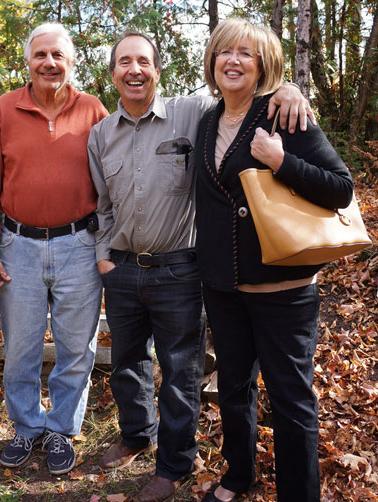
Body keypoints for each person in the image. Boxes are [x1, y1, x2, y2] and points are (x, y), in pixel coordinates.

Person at [87, 31, 313, 502]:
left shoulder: (193, 114)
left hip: (180, 269)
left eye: (143, 61)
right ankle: (135, 435)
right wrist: (105, 257)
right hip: (124, 268)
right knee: (126, 362)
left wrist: (288, 87)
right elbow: (102, 205)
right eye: (124, 62)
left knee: (179, 370)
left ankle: (173, 463)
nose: (134, 70)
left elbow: (247, 94)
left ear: (157, 70)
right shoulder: (100, 134)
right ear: (112, 73)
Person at [194, 18, 353, 502]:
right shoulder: (206, 121)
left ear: (263, 65)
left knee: (291, 402)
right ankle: (239, 475)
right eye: (225, 52)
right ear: (213, 62)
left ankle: (299, 494)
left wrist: (282, 161)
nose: (234, 60)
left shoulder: (285, 116)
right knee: (234, 391)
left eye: (247, 53)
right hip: (225, 290)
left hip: (285, 293)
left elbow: (341, 189)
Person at [0, 23, 108, 475]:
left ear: (71, 63)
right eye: (41, 55)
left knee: (76, 347)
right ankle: (27, 427)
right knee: (21, 347)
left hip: (79, 244)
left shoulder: (93, 110)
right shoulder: (4, 110)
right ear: (28, 62)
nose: (49, 63)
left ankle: (61, 430)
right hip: (18, 246)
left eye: (58, 56)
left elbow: (114, 180)